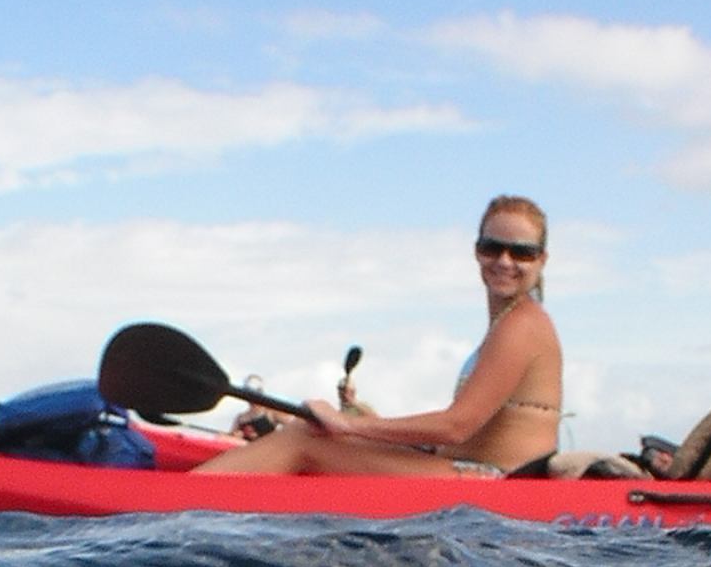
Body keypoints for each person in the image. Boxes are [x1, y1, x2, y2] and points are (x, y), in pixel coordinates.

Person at [194, 196, 563, 478]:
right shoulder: (511, 323)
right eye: (492, 248)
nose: (504, 261)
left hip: (494, 485)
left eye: (522, 253)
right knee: (313, 432)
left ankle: (166, 502)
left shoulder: (523, 324)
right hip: (467, 471)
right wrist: (364, 421)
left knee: (303, 438)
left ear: (542, 260)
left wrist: (350, 425)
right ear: (476, 251)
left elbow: (456, 426)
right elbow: (460, 434)